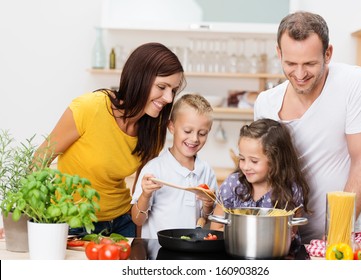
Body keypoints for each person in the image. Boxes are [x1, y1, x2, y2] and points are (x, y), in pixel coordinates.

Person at [33, 42, 186, 237]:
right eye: (162, 87)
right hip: (73, 223)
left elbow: (140, 192)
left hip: (122, 222)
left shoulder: (152, 128)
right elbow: (39, 160)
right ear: (140, 79)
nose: (169, 98)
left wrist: (138, 237)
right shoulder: (90, 107)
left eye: (173, 90)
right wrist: (28, 219)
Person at [254, 11, 361, 243]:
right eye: (291, 63)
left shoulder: (354, 83)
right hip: (282, 240)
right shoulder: (266, 103)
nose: (300, 74)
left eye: (310, 63)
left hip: (341, 235)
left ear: (328, 53)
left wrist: (335, 235)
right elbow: (264, 175)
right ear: (279, 53)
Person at [131, 93, 217, 239]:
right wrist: (146, 195)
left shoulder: (206, 171)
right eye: (187, 131)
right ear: (171, 127)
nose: (194, 139)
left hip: (192, 253)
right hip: (158, 253)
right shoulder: (154, 169)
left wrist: (208, 206)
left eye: (202, 133)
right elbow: (137, 220)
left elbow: (206, 220)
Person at [210, 119, 310, 244]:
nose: (245, 166)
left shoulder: (291, 190)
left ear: (275, 161)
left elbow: (290, 235)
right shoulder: (233, 184)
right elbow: (215, 229)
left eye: (254, 161)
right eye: (242, 159)